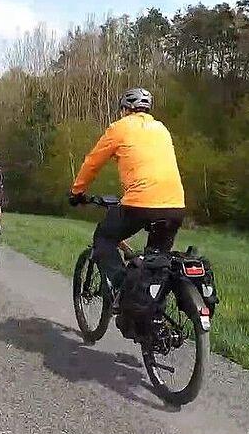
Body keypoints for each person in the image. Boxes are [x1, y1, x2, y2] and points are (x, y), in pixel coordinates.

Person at [68, 87, 185, 296]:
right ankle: (150, 307)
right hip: (175, 206)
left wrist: (77, 192)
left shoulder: (119, 128)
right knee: (156, 264)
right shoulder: (162, 129)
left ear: (125, 109)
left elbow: (92, 163)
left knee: (103, 238)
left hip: (141, 204)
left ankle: (123, 289)